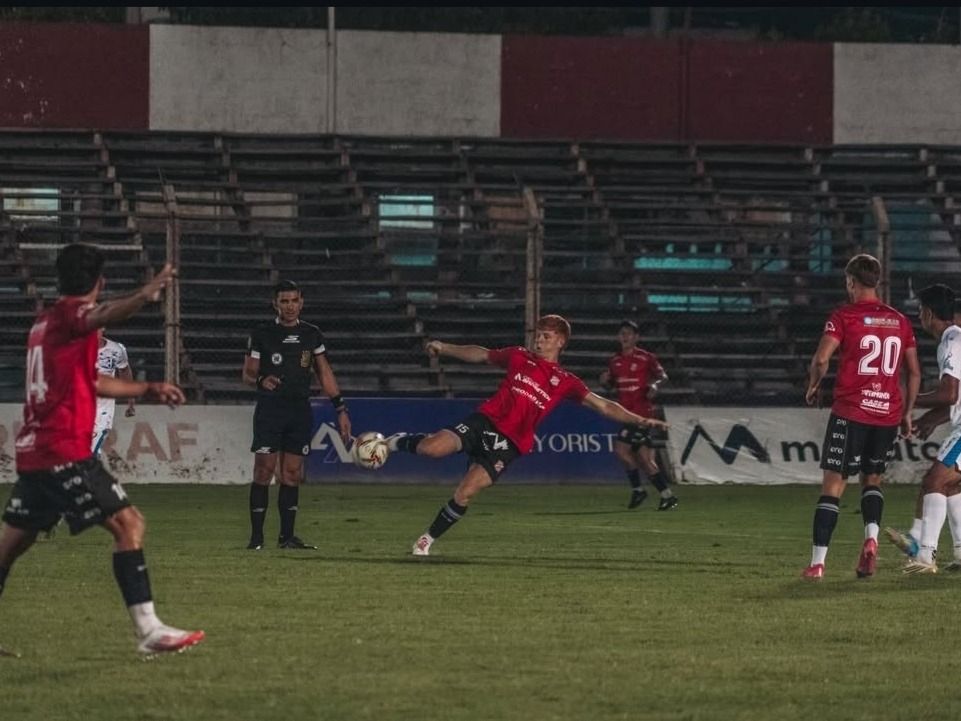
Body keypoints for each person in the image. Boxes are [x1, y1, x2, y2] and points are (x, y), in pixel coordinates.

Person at [0, 243, 204, 657]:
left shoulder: (44, 323)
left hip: (38, 451)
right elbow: (104, 314)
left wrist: (146, 388)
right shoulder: (73, 318)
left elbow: (91, 383)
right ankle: (149, 630)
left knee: (10, 546)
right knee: (129, 525)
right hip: (63, 450)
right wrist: (145, 296)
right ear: (100, 281)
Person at [387, 314, 669, 556]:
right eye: (538, 335)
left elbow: (605, 405)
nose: (539, 340)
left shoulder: (566, 381)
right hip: (485, 421)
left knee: (466, 491)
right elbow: (482, 353)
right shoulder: (520, 356)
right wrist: (444, 347)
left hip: (510, 444)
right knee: (432, 450)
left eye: (546, 336)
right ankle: (396, 441)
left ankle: (426, 541)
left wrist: (640, 419)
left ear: (560, 341)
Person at [801, 253, 920, 580]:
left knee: (833, 485)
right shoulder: (900, 321)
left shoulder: (843, 316)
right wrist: (907, 412)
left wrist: (813, 383)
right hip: (886, 414)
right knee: (872, 480)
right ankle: (870, 540)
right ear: (877, 281)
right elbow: (913, 372)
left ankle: (818, 563)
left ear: (852, 281)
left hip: (851, 411)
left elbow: (822, 358)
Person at [242, 280, 351, 550]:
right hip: (270, 410)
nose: (289, 306)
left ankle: (287, 537)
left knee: (292, 473)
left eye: (294, 301)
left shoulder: (312, 334)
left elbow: (324, 372)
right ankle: (256, 538)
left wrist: (340, 408)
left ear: (301, 302)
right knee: (263, 471)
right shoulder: (262, 333)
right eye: (284, 301)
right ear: (275, 304)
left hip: (299, 410)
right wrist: (260, 381)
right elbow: (247, 374)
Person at [882, 285, 961, 573]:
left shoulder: (951, 340)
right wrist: (930, 418)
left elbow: (950, 393)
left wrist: (907, 400)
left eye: (919, 311)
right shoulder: (956, 338)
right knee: (952, 486)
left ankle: (924, 556)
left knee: (933, 482)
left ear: (927, 313)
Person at [600, 320, 677, 510]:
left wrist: (655, 385)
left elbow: (663, 376)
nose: (625, 337)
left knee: (621, 450)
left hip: (641, 414)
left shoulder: (646, 358)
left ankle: (638, 490)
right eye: (622, 333)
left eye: (629, 333)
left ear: (636, 337)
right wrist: (604, 382)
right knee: (645, 458)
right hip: (625, 414)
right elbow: (611, 385)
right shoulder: (614, 361)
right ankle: (667, 496)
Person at [93, 331, 136, 455]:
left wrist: (131, 399)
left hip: (102, 410)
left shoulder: (116, 349)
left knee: (90, 450)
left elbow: (124, 371)